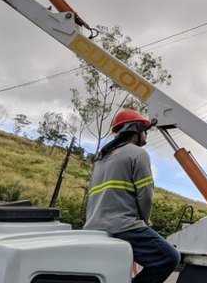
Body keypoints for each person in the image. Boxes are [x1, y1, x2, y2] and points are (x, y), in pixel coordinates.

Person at [85, 109, 180, 283]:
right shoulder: (138, 154)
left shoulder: (101, 159)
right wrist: (145, 221)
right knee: (169, 257)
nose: (146, 134)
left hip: (94, 226)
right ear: (135, 129)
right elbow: (146, 196)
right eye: (144, 130)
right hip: (123, 226)